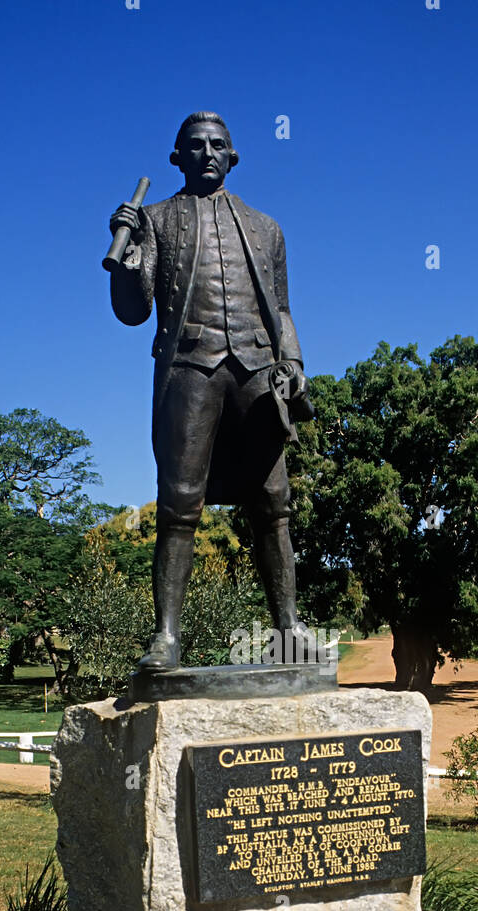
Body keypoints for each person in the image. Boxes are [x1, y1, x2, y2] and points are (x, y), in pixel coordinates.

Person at [108, 110, 315, 671]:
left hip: (257, 369)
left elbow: (284, 309)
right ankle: (166, 639)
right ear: (177, 157)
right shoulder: (154, 220)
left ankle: (289, 630)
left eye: (217, 145)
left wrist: (292, 359)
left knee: (274, 502)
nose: (207, 153)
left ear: (233, 156)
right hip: (190, 366)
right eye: (194, 146)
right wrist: (125, 263)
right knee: (179, 503)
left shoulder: (266, 228)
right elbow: (133, 311)